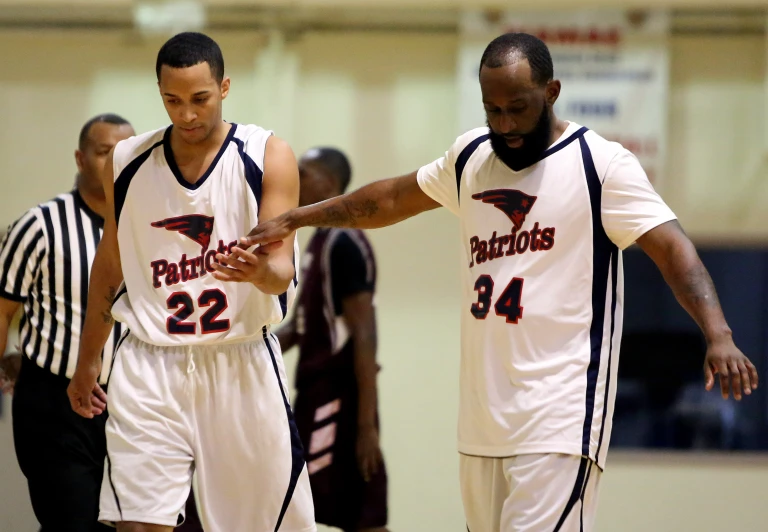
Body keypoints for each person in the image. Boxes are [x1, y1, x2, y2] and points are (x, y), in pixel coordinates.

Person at [240, 33, 759, 532]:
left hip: (560, 416)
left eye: (518, 108)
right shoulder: (471, 158)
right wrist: (298, 217)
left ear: (551, 93)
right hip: (483, 419)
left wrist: (718, 333)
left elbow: (673, 248)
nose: (505, 123)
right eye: (493, 110)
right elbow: (392, 198)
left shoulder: (601, 164)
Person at [66, 32, 315, 532]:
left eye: (199, 99)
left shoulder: (267, 154)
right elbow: (109, 263)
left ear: (224, 87)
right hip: (149, 360)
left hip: (239, 356)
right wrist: (88, 358)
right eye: (172, 100)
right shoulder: (128, 160)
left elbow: (282, 268)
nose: (186, 114)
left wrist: (259, 272)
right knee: (138, 522)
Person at [0, 113, 134, 531]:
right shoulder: (39, 225)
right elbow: (3, 308)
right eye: (103, 152)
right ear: (80, 158)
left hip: (134, 401)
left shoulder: (149, 228)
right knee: (72, 522)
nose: (115, 161)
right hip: (55, 402)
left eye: (125, 152)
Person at [277, 148, 388, 532]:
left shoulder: (346, 243)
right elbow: (299, 328)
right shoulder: (317, 242)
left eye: (304, 173)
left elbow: (365, 336)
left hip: (339, 400)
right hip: (314, 395)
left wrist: (366, 425)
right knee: (314, 507)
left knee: (358, 514)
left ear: (330, 183)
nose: (297, 180)